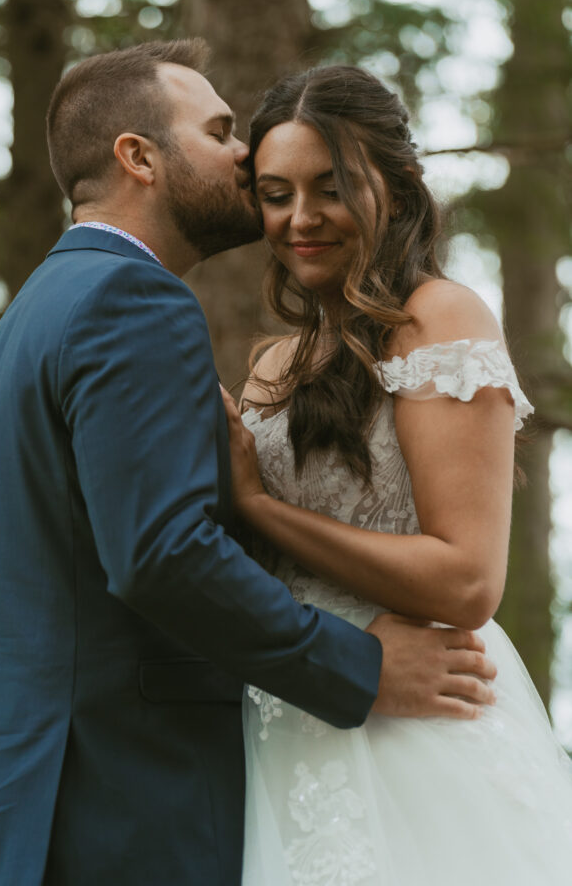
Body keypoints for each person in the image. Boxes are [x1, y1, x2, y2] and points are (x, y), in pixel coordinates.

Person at [0, 41, 497, 886]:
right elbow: (162, 556)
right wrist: (362, 667)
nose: (243, 156)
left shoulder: (24, 328)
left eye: (326, 185)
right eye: (220, 131)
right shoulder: (132, 300)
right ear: (138, 156)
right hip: (119, 804)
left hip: (19, 807)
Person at [220, 63, 572, 885]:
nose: (301, 218)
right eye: (275, 194)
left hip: (423, 730)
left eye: (329, 187)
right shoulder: (273, 364)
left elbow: (464, 582)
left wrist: (259, 509)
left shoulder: (440, 318)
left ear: (397, 185)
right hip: (290, 727)